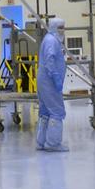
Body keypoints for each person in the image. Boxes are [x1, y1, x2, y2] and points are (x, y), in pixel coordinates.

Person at [36, 17, 69, 152]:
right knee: (56, 111)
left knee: (45, 112)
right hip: (49, 81)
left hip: (45, 81)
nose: (63, 30)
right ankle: (53, 143)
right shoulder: (51, 41)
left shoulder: (49, 39)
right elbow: (50, 59)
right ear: (55, 27)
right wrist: (55, 77)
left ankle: (41, 141)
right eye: (61, 27)